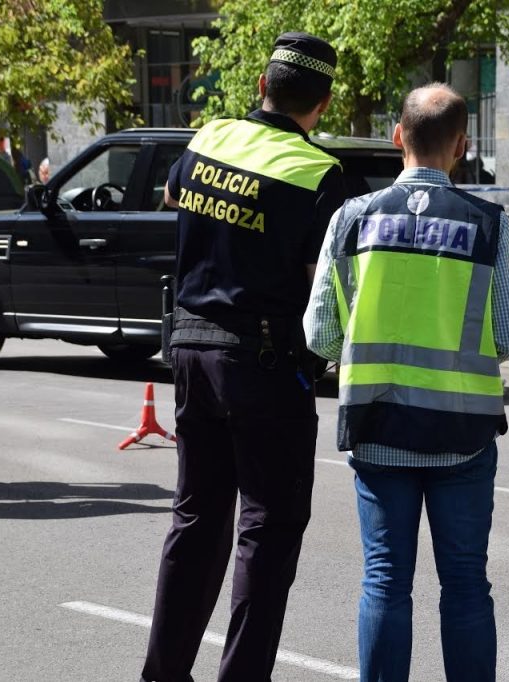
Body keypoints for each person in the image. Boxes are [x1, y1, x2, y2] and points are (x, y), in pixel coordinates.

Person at [140, 31, 348, 682]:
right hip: (264, 364)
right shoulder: (319, 174)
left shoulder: (209, 138)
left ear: (262, 86)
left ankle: (162, 674)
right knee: (267, 530)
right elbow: (320, 286)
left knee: (195, 519)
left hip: (191, 350)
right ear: (323, 103)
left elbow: (173, 197)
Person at [304, 83, 509, 682]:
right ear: (462, 145)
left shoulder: (352, 218)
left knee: (384, 580)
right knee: (466, 583)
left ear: (397, 136)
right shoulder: (489, 224)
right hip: (463, 433)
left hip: (378, 426)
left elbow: (320, 334)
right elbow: (508, 335)